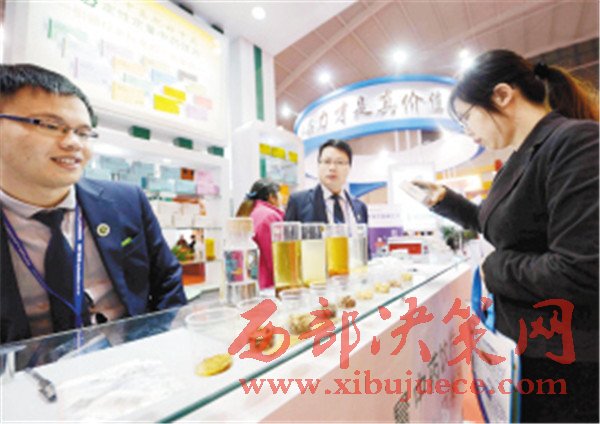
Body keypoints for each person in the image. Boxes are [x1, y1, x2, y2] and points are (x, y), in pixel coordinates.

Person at [414, 50, 598, 422]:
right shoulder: (517, 159)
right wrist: (445, 202)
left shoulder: (575, 143)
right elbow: (508, 227)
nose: (467, 131)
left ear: (502, 95)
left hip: (564, 361)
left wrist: (494, 268)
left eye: (466, 117)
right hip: (520, 349)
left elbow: (581, 270)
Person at [0, 64, 186, 344]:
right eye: (50, 125)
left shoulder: (127, 202)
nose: (73, 143)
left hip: (132, 358)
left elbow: (168, 283)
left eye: (83, 132)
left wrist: (156, 345)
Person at [284, 139, 368, 225]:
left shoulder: (360, 207)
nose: (332, 168)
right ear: (318, 165)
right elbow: (288, 233)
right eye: (327, 162)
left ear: (349, 167)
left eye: (339, 162)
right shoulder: (298, 202)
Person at [236, 179, 283, 290]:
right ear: (272, 197)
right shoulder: (270, 217)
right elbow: (275, 260)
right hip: (268, 286)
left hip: (251, 283)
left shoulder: (250, 212)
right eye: (280, 194)